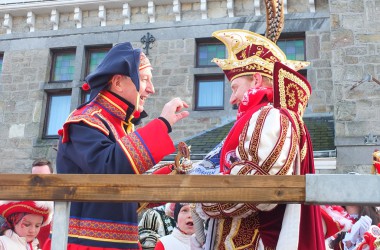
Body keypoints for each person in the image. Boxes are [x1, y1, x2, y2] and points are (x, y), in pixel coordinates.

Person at [189, 29, 326, 249]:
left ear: (255, 80)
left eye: (235, 87)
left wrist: (201, 201)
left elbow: (260, 187)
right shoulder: (269, 117)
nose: (232, 98)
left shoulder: (270, 116)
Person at [45, 42, 189, 250]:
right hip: (86, 245)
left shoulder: (117, 125)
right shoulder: (85, 120)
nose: (152, 88)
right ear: (119, 83)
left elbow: (121, 195)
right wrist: (162, 124)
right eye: (145, 79)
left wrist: (168, 177)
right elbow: (109, 168)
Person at [31, 159, 53, 249]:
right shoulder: (24, 200)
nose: (40, 181)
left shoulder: (61, 201)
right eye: (36, 177)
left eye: (45, 177)